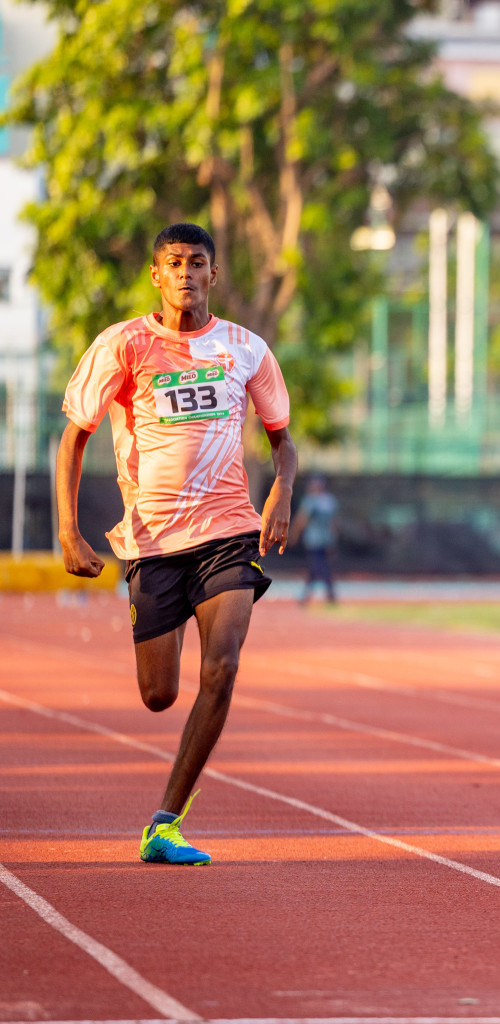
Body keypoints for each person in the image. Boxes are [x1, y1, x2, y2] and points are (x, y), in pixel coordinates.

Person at [56, 222, 296, 865]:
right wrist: (67, 529)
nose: (186, 273)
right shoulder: (125, 344)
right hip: (154, 540)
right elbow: (74, 438)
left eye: (197, 263)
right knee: (158, 695)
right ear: (156, 276)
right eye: (174, 263)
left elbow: (283, 439)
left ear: (213, 275)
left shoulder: (246, 348)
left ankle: (165, 823)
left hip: (227, 531)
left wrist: (281, 494)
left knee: (221, 668)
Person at [293, 474, 339, 605]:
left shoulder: (311, 500)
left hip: (314, 540)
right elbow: (333, 523)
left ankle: (325, 595)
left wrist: (294, 534)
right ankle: (321, 595)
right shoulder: (329, 500)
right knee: (317, 567)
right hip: (323, 539)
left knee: (319, 567)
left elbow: (302, 519)